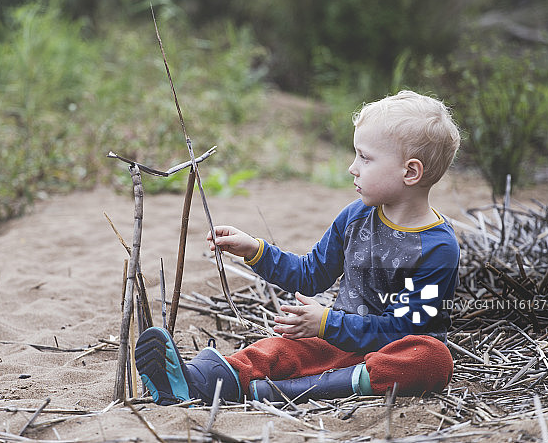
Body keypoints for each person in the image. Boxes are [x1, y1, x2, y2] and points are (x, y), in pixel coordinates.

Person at [135, 90, 461, 405]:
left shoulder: (438, 247)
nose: (353, 167)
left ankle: (293, 390)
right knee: (276, 350)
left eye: (365, 157)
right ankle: (200, 380)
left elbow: (402, 329)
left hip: (393, 354)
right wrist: (255, 250)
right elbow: (309, 275)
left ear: (410, 171)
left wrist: (326, 322)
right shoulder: (355, 217)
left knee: (432, 358)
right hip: (339, 342)